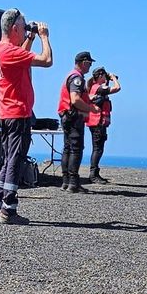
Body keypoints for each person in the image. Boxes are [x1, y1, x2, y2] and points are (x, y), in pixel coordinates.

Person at [0, 9, 52, 225]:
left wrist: (29, 38)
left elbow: (20, 58)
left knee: (9, 158)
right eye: (23, 27)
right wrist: (44, 36)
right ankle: (8, 210)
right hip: (18, 112)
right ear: (14, 28)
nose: (25, 30)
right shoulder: (10, 52)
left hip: (7, 111)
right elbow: (47, 60)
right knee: (15, 159)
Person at [56, 51, 102, 193]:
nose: (90, 66)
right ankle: (73, 183)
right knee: (76, 149)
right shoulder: (77, 78)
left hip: (66, 115)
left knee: (67, 148)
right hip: (74, 116)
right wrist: (91, 108)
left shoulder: (70, 75)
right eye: (89, 63)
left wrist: (89, 99)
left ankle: (66, 181)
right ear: (83, 62)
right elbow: (75, 99)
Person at [85, 67, 121, 184]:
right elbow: (117, 88)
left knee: (98, 148)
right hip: (97, 122)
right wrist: (114, 79)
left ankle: (95, 173)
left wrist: (109, 79)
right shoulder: (98, 88)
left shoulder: (95, 87)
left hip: (96, 122)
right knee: (98, 149)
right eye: (104, 76)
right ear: (100, 76)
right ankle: (93, 174)